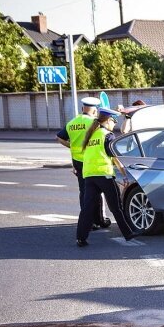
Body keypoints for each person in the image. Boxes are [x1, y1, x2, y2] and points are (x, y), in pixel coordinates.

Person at [75, 107, 136, 247]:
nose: (114, 124)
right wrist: (125, 174)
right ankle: (128, 233)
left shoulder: (91, 134)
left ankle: (80, 238)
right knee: (116, 207)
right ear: (108, 120)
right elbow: (114, 157)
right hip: (104, 174)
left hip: (89, 175)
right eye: (114, 121)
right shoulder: (107, 135)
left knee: (87, 208)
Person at [56, 96, 110, 230]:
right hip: (92, 161)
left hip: (78, 163)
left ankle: (88, 221)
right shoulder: (94, 123)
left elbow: (59, 137)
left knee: (84, 192)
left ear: (82, 109)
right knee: (97, 192)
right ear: (95, 110)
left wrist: (71, 145)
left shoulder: (72, 123)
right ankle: (99, 220)